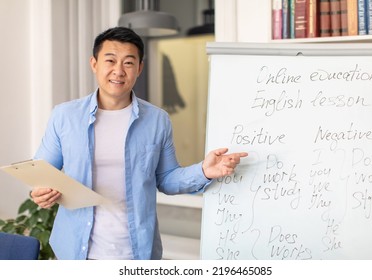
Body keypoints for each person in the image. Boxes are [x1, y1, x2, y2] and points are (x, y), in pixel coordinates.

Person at [30, 26, 248, 260]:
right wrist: (39, 192)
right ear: (94, 64)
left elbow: (166, 179)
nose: (118, 71)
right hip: (76, 251)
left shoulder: (157, 120)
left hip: (137, 252)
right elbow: (41, 173)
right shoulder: (64, 116)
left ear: (139, 68)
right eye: (110, 60)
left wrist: (204, 171)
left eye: (128, 63)